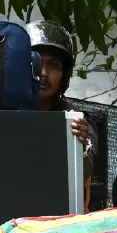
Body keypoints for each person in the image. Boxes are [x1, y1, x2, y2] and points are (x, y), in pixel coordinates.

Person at [26, 20, 97, 208]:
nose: (43, 72)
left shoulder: (77, 119)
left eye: (53, 65)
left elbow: (85, 171)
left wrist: (80, 145)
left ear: (64, 74)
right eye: (36, 62)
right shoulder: (3, 112)